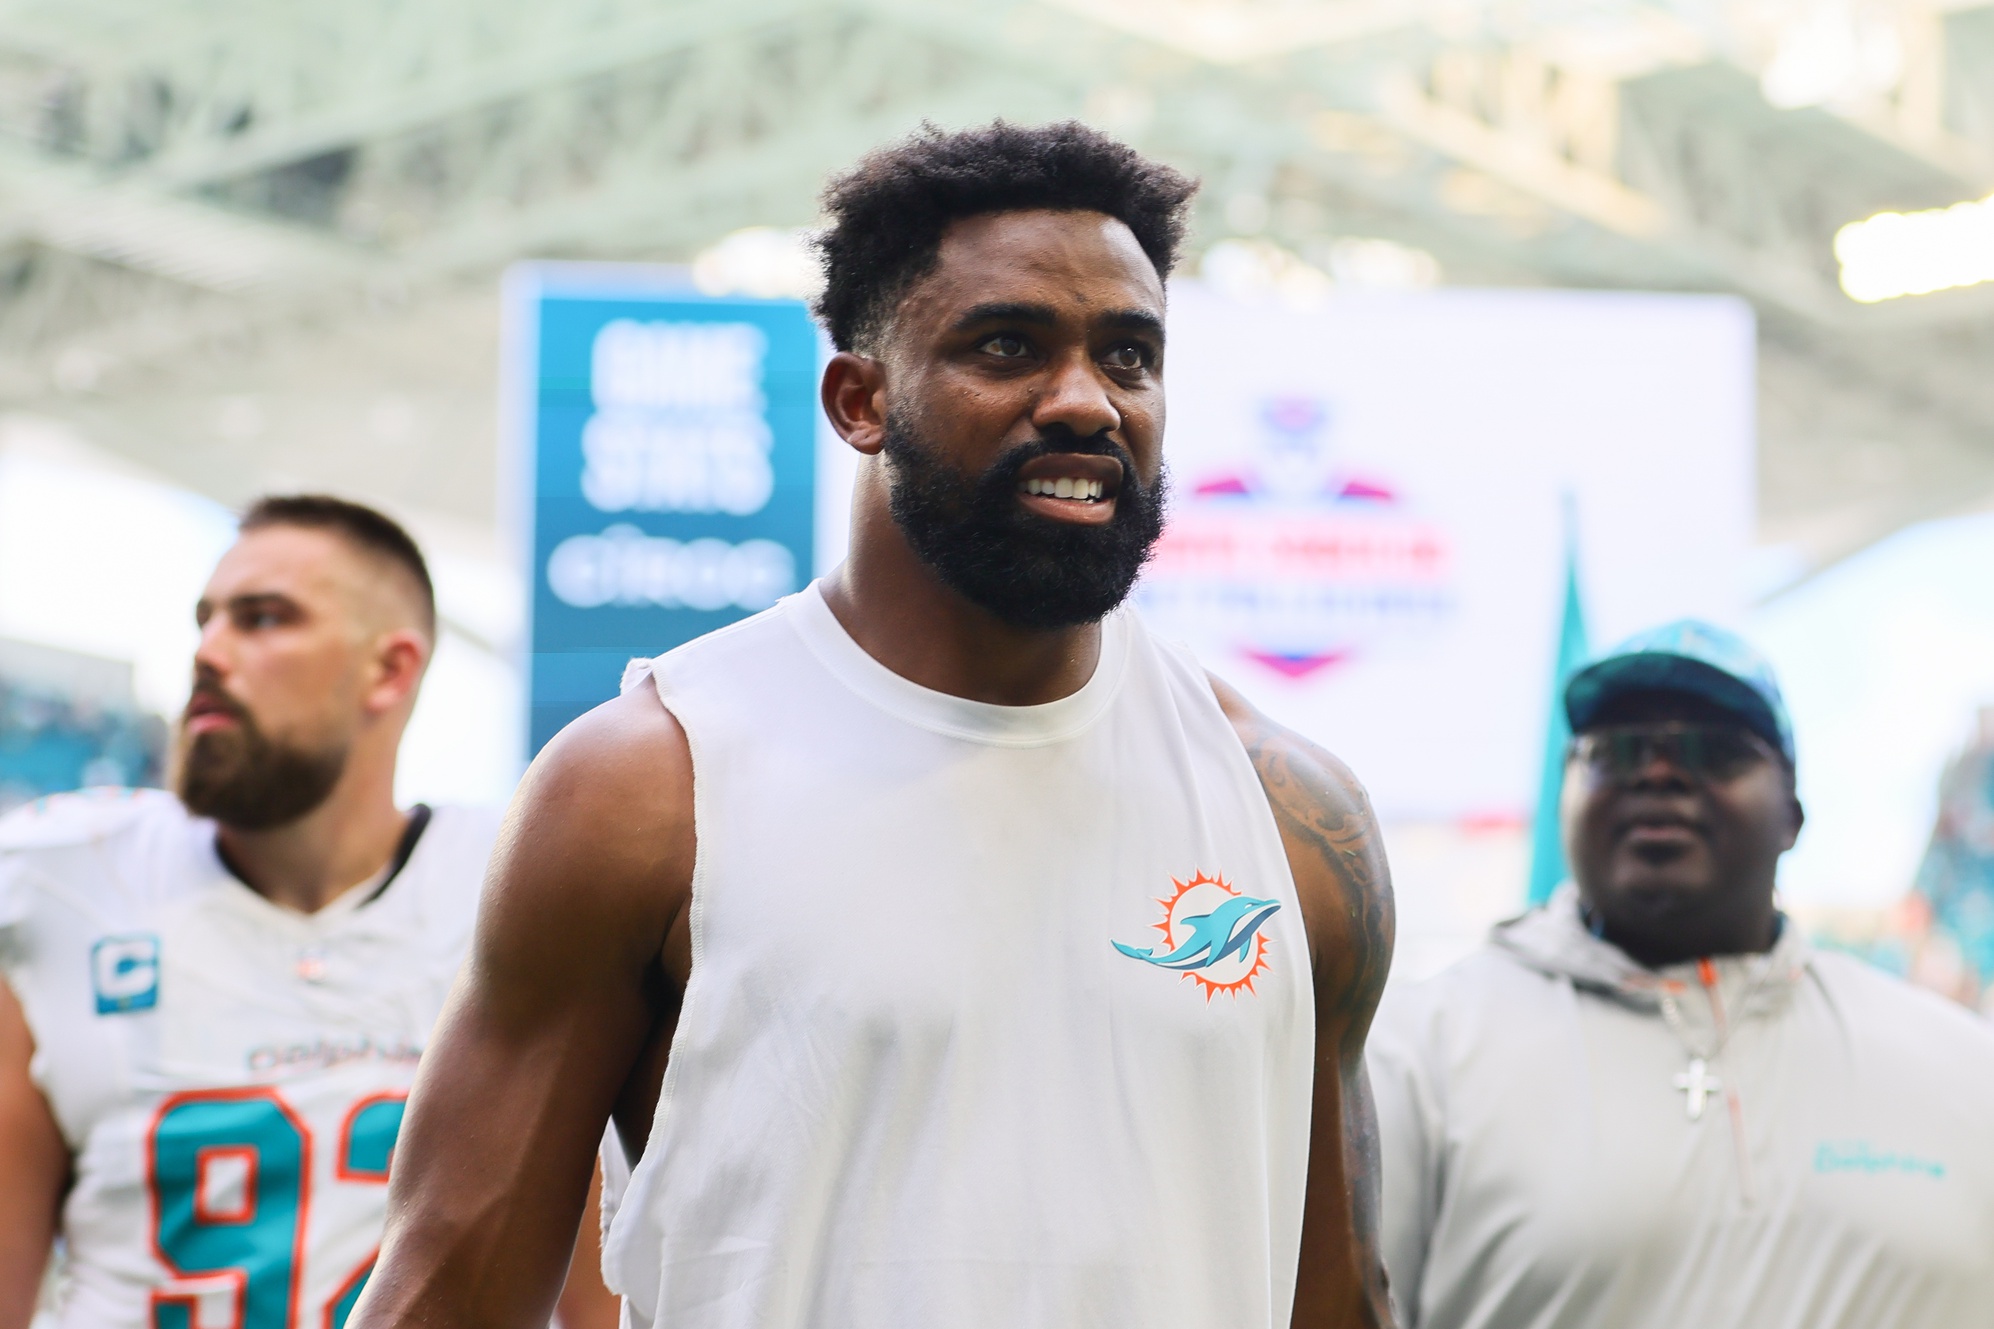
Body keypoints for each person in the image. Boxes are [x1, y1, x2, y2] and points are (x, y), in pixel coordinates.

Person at [352, 121, 1397, 1329]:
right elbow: (443, 1297)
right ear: (859, 399)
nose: (1084, 402)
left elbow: (1337, 1300)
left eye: (1128, 356)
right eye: (1007, 347)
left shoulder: (1289, 814)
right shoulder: (649, 787)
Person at [0, 496, 616, 1329]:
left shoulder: (519, 887)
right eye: (205, 620)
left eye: (263, 619)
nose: (208, 652)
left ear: (389, 670)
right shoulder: (61, 879)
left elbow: (599, 1296)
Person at [1368, 620, 1994, 1329]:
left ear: (1792, 814)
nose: (1659, 772)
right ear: (1565, 795)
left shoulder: (1961, 1069)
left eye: (1714, 751)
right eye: (1614, 751)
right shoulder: (1420, 1053)